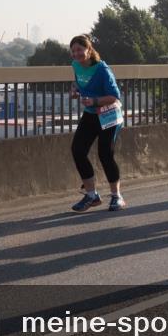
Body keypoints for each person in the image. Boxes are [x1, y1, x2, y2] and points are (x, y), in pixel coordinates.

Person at [70, 34, 126, 212]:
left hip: (108, 114)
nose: (76, 54)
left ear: (89, 49)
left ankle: (117, 196)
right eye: (73, 51)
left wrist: (94, 101)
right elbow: (79, 82)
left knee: (105, 154)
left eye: (80, 50)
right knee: (78, 150)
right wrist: (75, 89)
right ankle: (92, 195)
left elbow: (114, 96)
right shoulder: (75, 65)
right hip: (91, 114)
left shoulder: (102, 70)